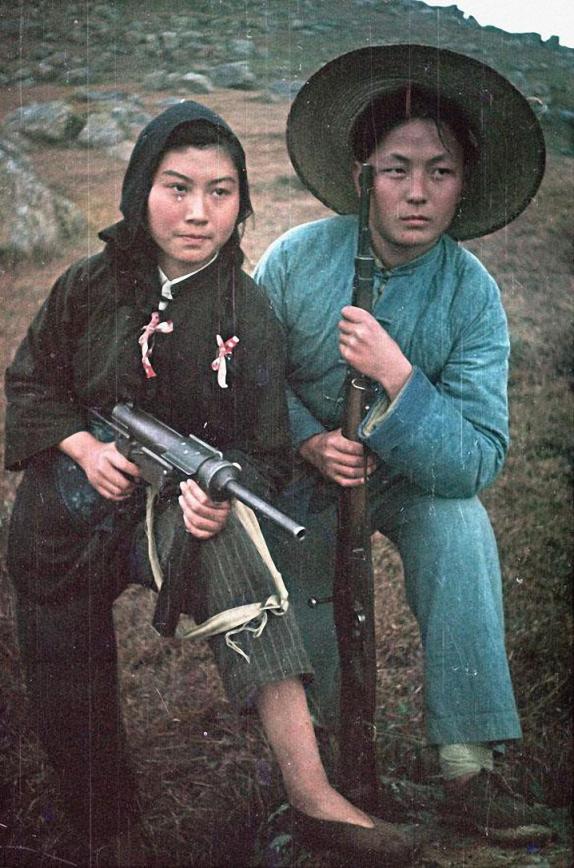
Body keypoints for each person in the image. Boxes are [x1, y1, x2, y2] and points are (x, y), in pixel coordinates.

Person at [4, 100, 419, 865]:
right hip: (65, 513)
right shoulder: (87, 285)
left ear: (241, 201)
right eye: (178, 187)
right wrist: (83, 449)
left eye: (220, 191)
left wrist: (213, 493)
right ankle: (108, 830)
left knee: (233, 542)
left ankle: (313, 794)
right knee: (66, 662)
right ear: (141, 189)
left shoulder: (247, 313)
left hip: (169, 510)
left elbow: (265, 448)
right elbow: (32, 383)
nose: (199, 213)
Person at [254, 44, 552, 843]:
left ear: (465, 183)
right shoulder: (294, 261)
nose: (418, 192)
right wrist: (309, 442)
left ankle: (468, 768)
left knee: (461, 527)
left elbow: (478, 458)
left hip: (409, 476)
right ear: (364, 176)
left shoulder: (472, 295)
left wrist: (398, 377)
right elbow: (249, 382)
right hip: (304, 477)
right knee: (294, 552)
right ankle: (319, 776)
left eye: (440, 171)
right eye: (397, 169)